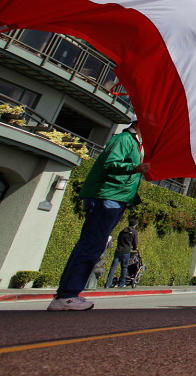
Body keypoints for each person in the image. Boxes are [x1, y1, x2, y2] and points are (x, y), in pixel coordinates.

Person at [48, 121, 148, 311]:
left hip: (117, 198)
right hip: (107, 198)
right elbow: (110, 164)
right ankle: (67, 295)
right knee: (91, 245)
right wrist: (134, 168)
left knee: (93, 244)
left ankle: (67, 294)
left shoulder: (135, 144)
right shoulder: (124, 139)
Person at [106, 215, 139, 288]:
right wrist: (135, 248)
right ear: (135, 225)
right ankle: (121, 283)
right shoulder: (134, 232)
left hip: (118, 250)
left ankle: (108, 284)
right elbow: (135, 243)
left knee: (113, 267)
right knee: (124, 267)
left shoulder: (122, 231)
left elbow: (118, 240)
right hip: (126, 251)